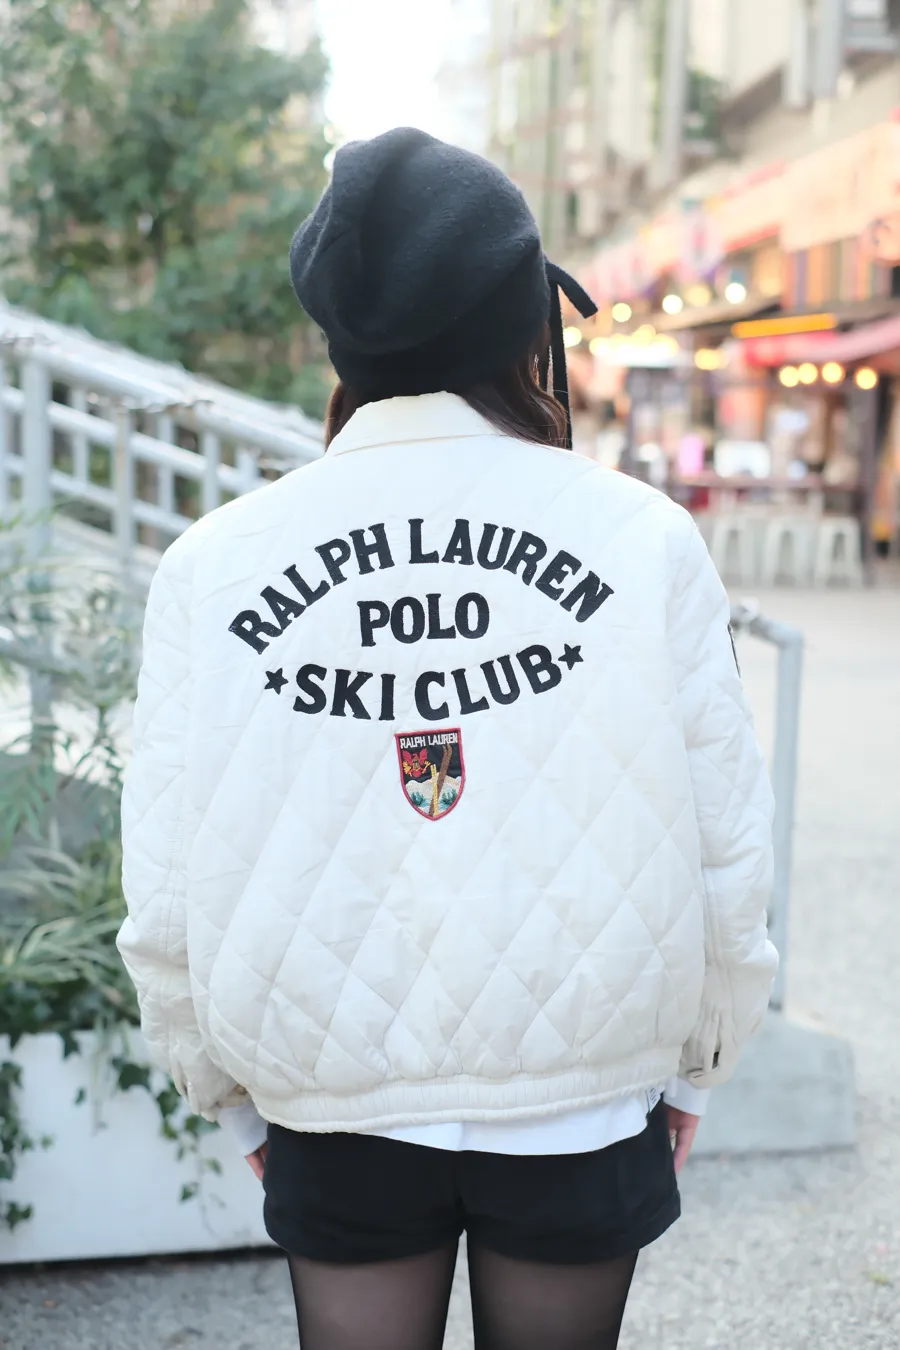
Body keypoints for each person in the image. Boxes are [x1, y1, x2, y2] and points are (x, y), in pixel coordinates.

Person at [118, 128, 777, 1350]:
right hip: (581, 1088)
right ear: (525, 325)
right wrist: (701, 1056)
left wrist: (223, 1090)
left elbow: (163, 880)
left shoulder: (215, 565)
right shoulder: (641, 539)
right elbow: (727, 839)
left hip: (334, 1093)